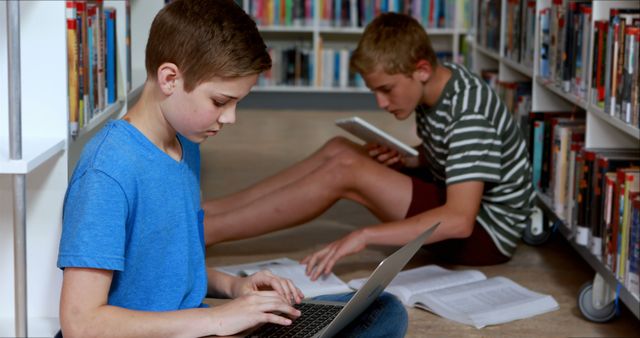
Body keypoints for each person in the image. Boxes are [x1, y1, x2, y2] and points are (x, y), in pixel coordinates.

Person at [56, 1, 407, 337]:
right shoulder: (107, 171)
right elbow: (81, 324)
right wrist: (216, 320)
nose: (230, 118)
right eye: (220, 101)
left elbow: (170, 271)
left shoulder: (184, 145)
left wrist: (236, 286)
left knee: (381, 308)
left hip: (196, 324)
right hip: (170, 330)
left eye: (237, 103)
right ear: (169, 79)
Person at [203, 12, 535, 281]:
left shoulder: (469, 115)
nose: (381, 102)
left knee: (346, 170)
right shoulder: (443, 81)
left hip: (484, 234)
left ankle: (205, 232)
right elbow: (456, 151)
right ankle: (207, 214)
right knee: (340, 149)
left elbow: (460, 220)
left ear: (421, 69)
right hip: (455, 195)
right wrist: (415, 158)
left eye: (387, 89)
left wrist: (365, 235)